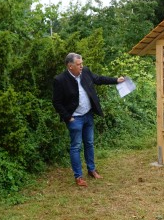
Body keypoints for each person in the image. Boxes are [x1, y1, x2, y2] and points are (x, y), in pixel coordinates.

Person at [53, 53, 124, 187]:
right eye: (79, 64)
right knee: (76, 146)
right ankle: (78, 176)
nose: (82, 66)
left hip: (88, 115)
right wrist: (68, 117)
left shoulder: (85, 72)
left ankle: (91, 170)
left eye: (82, 63)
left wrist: (116, 80)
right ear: (70, 66)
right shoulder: (60, 80)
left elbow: (98, 79)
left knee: (89, 143)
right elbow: (57, 102)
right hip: (75, 119)